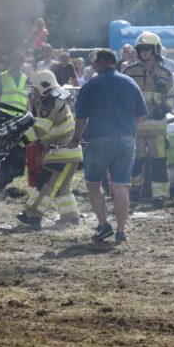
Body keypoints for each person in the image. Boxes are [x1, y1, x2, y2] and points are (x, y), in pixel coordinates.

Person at [69, 49, 148, 242]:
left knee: (93, 184)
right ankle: (121, 232)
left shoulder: (92, 84)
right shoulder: (130, 83)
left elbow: (81, 117)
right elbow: (141, 114)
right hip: (126, 140)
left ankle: (103, 225)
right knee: (121, 186)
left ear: (104, 62)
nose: (93, 66)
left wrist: (75, 139)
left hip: (99, 140)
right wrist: (127, 129)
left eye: (95, 62)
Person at [16, 70, 83, 229]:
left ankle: (32, 215)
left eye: (35, 88)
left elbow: (41, 128)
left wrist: (20, 142)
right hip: (64, 153)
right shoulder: (51, 99)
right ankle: (70, 217)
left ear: (43, 86)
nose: (33, 91)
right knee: (61, 187)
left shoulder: (49, 102)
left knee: (45, 185)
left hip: (62, 154)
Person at [122, 32, 174, 206]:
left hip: (157, 127)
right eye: (141, 49)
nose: (144, 52)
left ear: (156, 50)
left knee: (159, 162)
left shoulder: (165, 73)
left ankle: (160, 197)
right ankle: (132, 197)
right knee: (135, 163)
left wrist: (166, 108)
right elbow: (122, 96)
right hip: (136, 128)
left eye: (147, 48)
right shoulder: (129, 71)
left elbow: (173, 94)